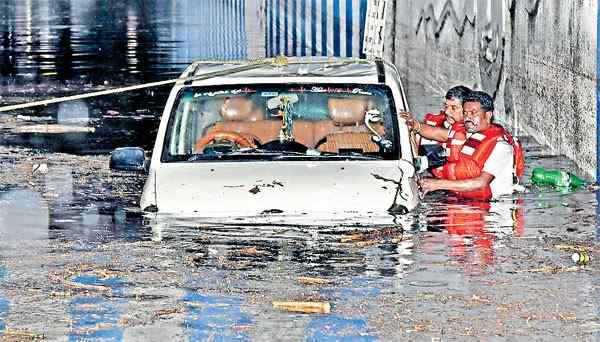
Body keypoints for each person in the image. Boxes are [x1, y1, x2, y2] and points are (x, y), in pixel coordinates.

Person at [418, 91, 524, 200]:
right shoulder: (467, 135)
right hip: (469, 202)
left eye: (473, 113)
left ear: (488, 115)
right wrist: (415, 126)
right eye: (465, 113)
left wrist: (436, 184)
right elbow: (438, 133)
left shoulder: (501, 146)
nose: (468, 118)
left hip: (495, 209)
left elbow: (481, 182)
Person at [400, 85, 471, 177]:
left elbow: (441, 134)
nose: (447, 112)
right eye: (446, 106)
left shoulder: (471, 129)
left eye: (454, 108)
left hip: (455, 185)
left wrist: (416, 125)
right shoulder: (438, 122)